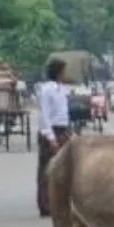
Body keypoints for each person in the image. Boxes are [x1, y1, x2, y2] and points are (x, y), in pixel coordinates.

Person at [37, 58, 71, 217]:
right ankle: (45, 205)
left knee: (64, 168)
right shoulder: (46, 90)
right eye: (63, 71)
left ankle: (61, 202)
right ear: (58, 72)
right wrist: (51, 138)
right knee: (46, 170)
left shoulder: (62, 89)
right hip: (51, 132)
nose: (66, 74)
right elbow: (44, 116)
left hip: (63, 130)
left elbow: (63, 113)